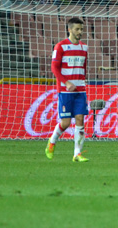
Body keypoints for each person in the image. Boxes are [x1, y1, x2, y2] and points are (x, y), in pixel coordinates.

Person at [45, 17, 90, 162]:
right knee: (65, 123)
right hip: (65, 91)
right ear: (69, 30)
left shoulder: (84, 47)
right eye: (77, 29)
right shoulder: (60, 46)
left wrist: (83, 78)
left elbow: (83, 66)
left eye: (81, 29)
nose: (80, 32)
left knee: (80, 119)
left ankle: (77, 154)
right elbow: (54, 68)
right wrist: (66, 82)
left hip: (80, 90)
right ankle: (51, 142)